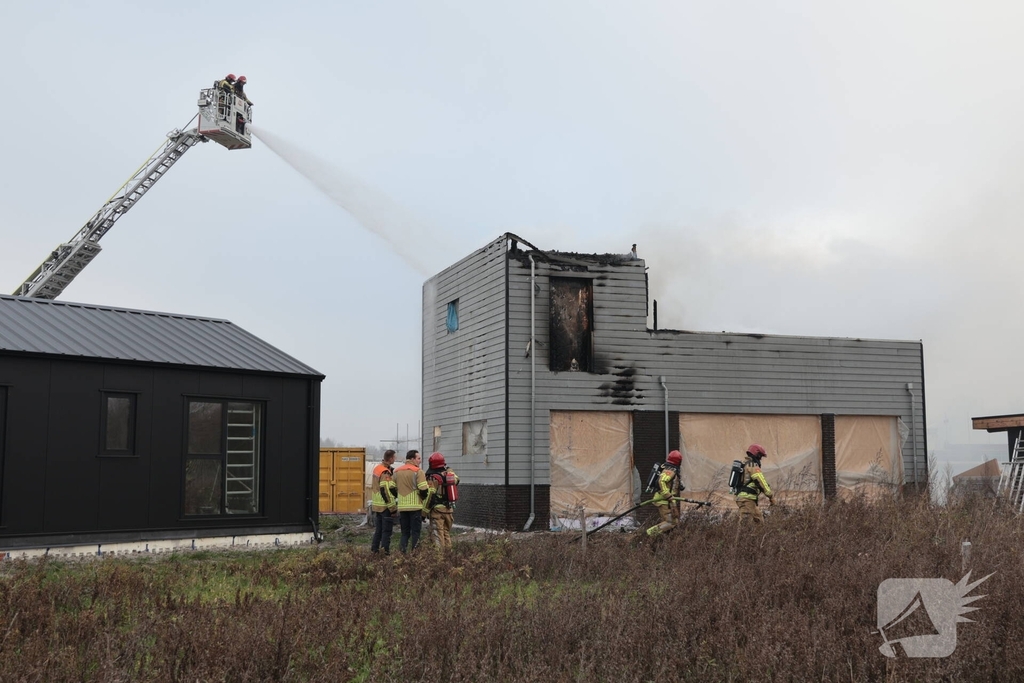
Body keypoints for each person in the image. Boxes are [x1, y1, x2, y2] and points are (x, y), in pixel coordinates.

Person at [392, 449, 427, 553]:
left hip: (402, 507)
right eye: (418, 458)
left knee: (405, 532)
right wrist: (422, 498)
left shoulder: (396, 471)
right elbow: (424, 489)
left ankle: (402, 552)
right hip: (415, 506)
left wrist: (399, 495)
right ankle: (415, 555)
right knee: (416, 532)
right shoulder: (418, 471)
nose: (420, 461)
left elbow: (391, 488)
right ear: (412, 459)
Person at [423, 452, 459, 551]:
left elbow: (429, 496)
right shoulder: (450, 475)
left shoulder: (433, 478)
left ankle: (439, 558)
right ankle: (448, 556)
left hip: (437, 511)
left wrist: (423, 513)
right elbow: (457, 480)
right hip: (449, 509)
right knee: (446, 533)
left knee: (437, 535)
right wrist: (449, 470)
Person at [646, 450, 683, 537]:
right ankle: (648, 534)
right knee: (670, 523)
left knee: (673, 522)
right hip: (664, 501)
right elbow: (661, 481)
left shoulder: (667, 467)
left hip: (668, 501)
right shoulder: (670, 470)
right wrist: (668, 495)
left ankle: (662, 541)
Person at [735, 444, 774, 524]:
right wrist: (770, 496)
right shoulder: (753, 466)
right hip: (747, 500)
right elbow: (761, 481)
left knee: (759, 522)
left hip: (746, 499)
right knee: (745, 525)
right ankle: (740, 536)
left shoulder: (745, 464)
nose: (760, 459)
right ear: (757, 455)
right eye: (760, 457)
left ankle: (759, 536)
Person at [370, 450, 398, 554]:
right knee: (386, 531)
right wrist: (393, 509)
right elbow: (385, 490)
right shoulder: (385, 472)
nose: (395, 459)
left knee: (378, 530)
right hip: (385, 506)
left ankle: (375, 550)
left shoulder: (378, 468)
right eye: (394, 457)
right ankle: (385, 552)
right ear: (390, 458)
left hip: (377, 505)